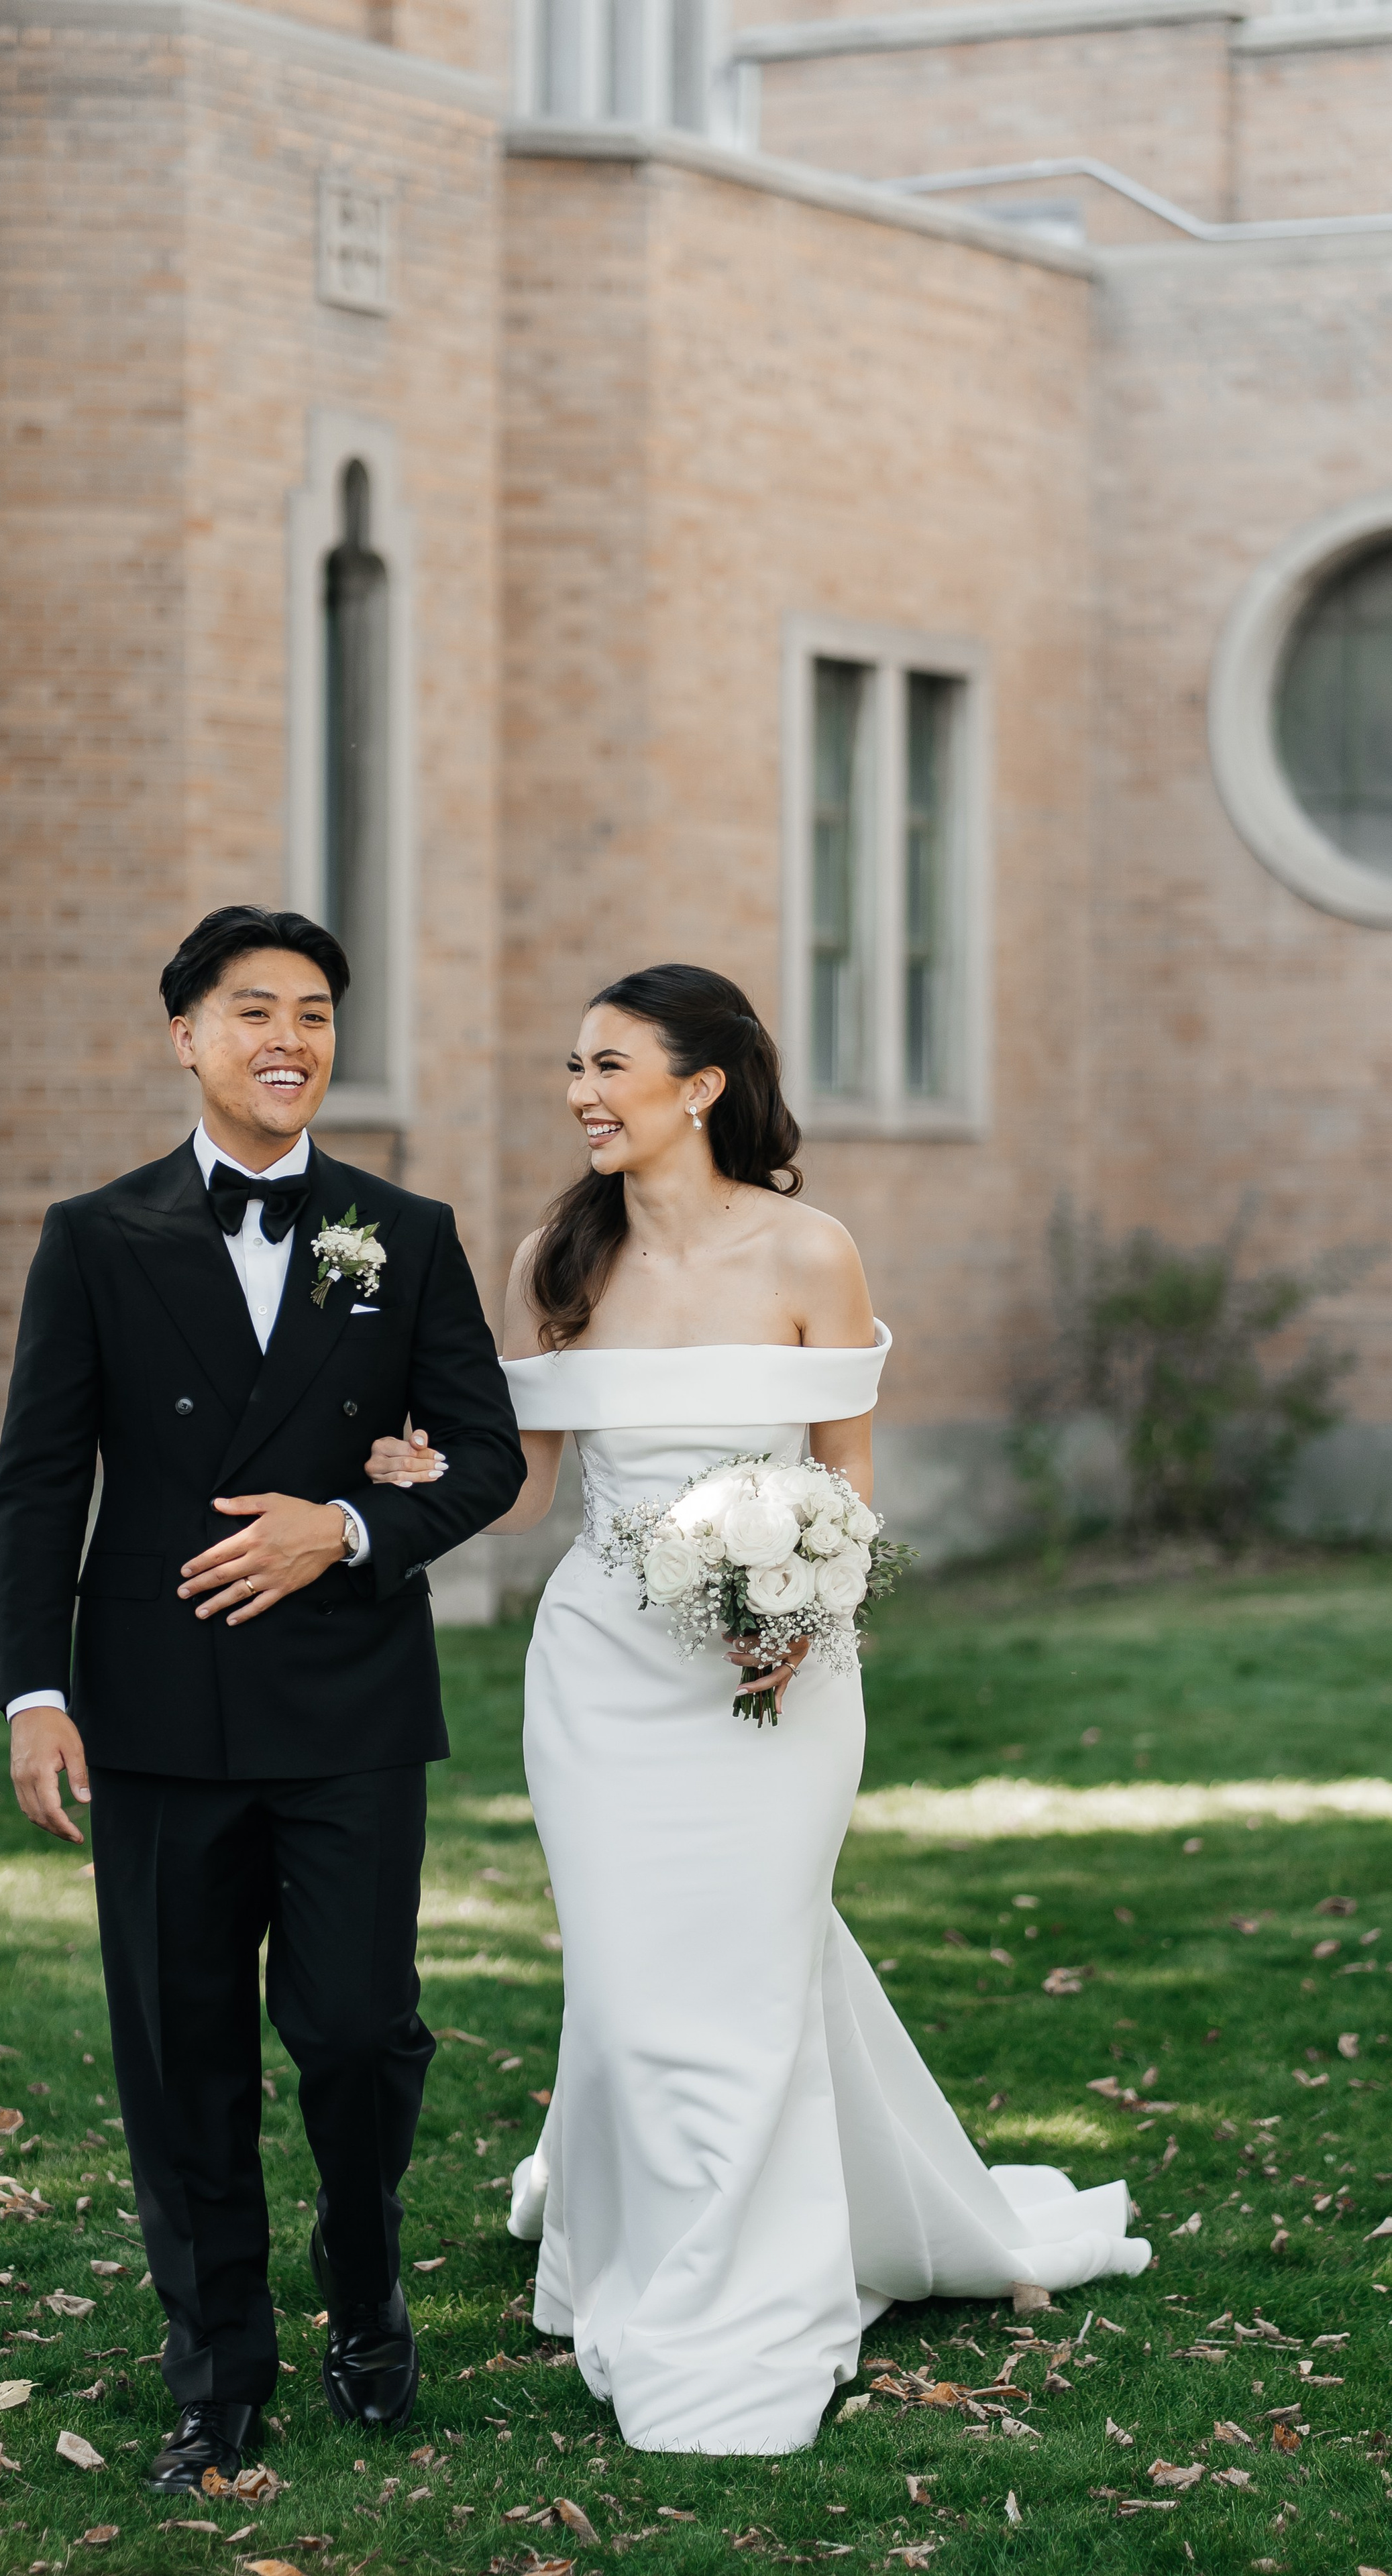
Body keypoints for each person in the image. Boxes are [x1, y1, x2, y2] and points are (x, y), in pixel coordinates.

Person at [365, 963, 1150, 2455]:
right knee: (626, 1975)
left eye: (610, 1065)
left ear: (702, 1085)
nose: (582, 1092)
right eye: (572, 1068)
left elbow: (846, 1470)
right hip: (600, 1670)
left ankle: (739, 2288)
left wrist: (803, 1611)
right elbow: (527, 1487)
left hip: (776, 1680)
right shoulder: (555, 1257)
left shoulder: (809, 1250)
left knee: (735, 1971)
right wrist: (420, 1483)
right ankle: (633, 2244)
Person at [0, 905, 525, 2491]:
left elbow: (486, 1456)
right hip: (154, 1709)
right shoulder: (96, 1236)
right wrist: (34, 1687)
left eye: (312, 1012)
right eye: (251, 1011)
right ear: (185, 1035)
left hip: (350, 1701)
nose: (287, 1038)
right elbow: (39, 1481)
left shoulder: (400, 1231)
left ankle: (363, 2289)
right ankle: (216, 2369)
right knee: (183, 2047)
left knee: (356, 2031)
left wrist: (347, 1529)